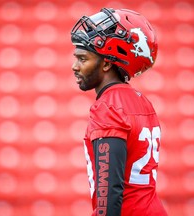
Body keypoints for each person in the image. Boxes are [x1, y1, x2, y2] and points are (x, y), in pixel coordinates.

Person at [70, 8, 168, 216]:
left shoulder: (108, 107)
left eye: (83, 59)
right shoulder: (142, 101)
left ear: (106, 63)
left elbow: (109, 193)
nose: (74, 66)